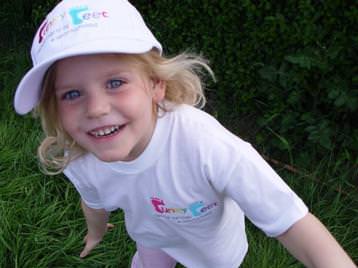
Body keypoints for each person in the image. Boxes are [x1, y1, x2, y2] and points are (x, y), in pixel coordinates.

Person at [14, 0, 356, 267]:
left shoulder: (209, 146)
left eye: (115, 82)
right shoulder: (80, 156)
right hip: (152, 239)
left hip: (215, 255)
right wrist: (95, 233)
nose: (96, 109)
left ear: (156, 85)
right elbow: (94, 202)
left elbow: (293, 223)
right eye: (72, 94)